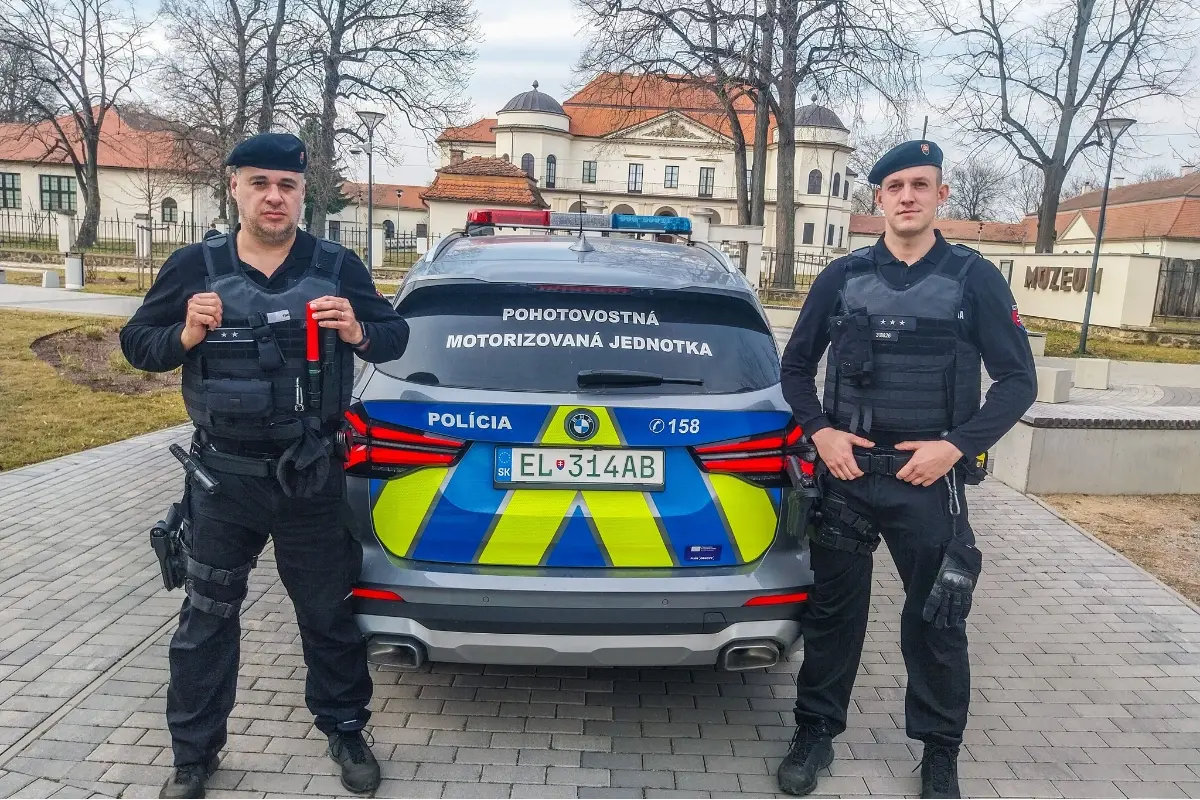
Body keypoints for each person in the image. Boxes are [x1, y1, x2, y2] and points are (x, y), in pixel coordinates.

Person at [120, 132, 410, 799]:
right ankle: (194, 756)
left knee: (328, 614)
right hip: (224, 481)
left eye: (287, 186)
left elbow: (396, 337)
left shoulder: (338, 265)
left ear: (302, 192)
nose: (274, 197)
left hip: (311, 476)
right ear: (235, 187)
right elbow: (139, 344)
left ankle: (343, 728)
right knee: (206, 618)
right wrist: (186, 334)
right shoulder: (195, 265)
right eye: (260, 183)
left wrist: (359, 332)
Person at [776, 140, 1037, 799]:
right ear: (879, 199)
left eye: (920, 184)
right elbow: (795, 370)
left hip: (928, 483)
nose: (907, 196)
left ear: (941, 194)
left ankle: (940, 752)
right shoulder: (843, 275)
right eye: (895, 186)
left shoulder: (974, 278)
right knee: (833, 616)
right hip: (848, 479)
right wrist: (822, 432)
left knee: (937, 619)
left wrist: (955, 446)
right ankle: (815, 735)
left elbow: (1016, 381)